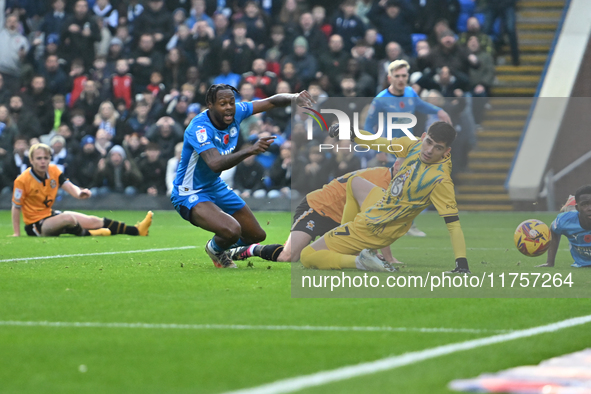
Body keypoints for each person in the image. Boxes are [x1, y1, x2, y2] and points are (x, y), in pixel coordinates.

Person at [170, 83, 314, 268]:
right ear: (210, 104)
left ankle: (228, 249)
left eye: (231, 102)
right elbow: (214, 164)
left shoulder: (237, 112)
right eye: (223, 103)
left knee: (256, 235)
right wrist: (250, 150)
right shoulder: (199, 128)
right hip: (188, 192)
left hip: (214, 185)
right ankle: (215, 250)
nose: (229, 107)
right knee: (232, 230)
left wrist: (294, 98)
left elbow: (271, 102)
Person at [299, 121, 471, 274]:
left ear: (446, 151)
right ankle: (352, 247)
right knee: (355, 182)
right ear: (423, 137)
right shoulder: (413, 145)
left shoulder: (440, 180)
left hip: (378, 226)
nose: (429, 150)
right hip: (385, 204)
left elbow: (453, 225)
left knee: (307, 256)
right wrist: (352, 132)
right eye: (429, 142)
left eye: (438, 148)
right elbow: (379, 142)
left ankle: (360, 261)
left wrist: (461, 264)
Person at [228, 165, 401, 265]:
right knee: (289, 256)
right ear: (398, 164)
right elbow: (375, 221)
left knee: (347, 256)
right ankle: (250, 249)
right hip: (318, 208)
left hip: (339, 221)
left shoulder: (394, 183)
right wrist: (389, 258)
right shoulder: (380, 181)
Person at [364, 59, 451, 237]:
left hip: (409, 149)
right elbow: (367, 126)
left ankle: (405, 223)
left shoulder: (411, 93)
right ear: (390, 78)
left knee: (409, 186)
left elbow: (422, 106)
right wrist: (377, 149)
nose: (401, 79)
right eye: (397, 76)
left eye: (404, 75)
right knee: (388, 188)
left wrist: (439, 111)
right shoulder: (380, 100)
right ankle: (380, 222)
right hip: (388, 149)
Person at [11, 143, 153, 237]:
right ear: (31, 160)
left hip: (51, 215)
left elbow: (68, 185)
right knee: (68, 218)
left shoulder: (54, 171)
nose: (43, 161)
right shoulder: (22, 180)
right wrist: (16, 233)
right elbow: (16, 207)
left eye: (46, 158)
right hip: (36, 225)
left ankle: (136, 230)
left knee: (93, 220)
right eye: (39, 158)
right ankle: (91, 234)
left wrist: (79, 193)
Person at [537, 186, 591, 268]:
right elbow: (553, 230)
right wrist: (550, 262)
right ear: (577, 208)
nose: (590, 208)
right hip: (581, 265)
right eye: (584, 204)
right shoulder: (564, 221)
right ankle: (569, 205)